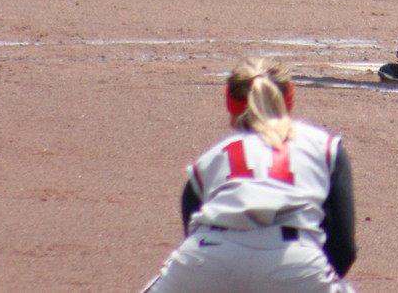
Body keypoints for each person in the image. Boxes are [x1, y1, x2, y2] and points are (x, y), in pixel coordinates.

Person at [141, 58, 357, 293]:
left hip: (208, 255)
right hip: (295, 260)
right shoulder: (325, 147)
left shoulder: (211, 158)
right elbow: (344, 249)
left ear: (231, 104)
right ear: (288, 99)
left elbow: (191, 227)